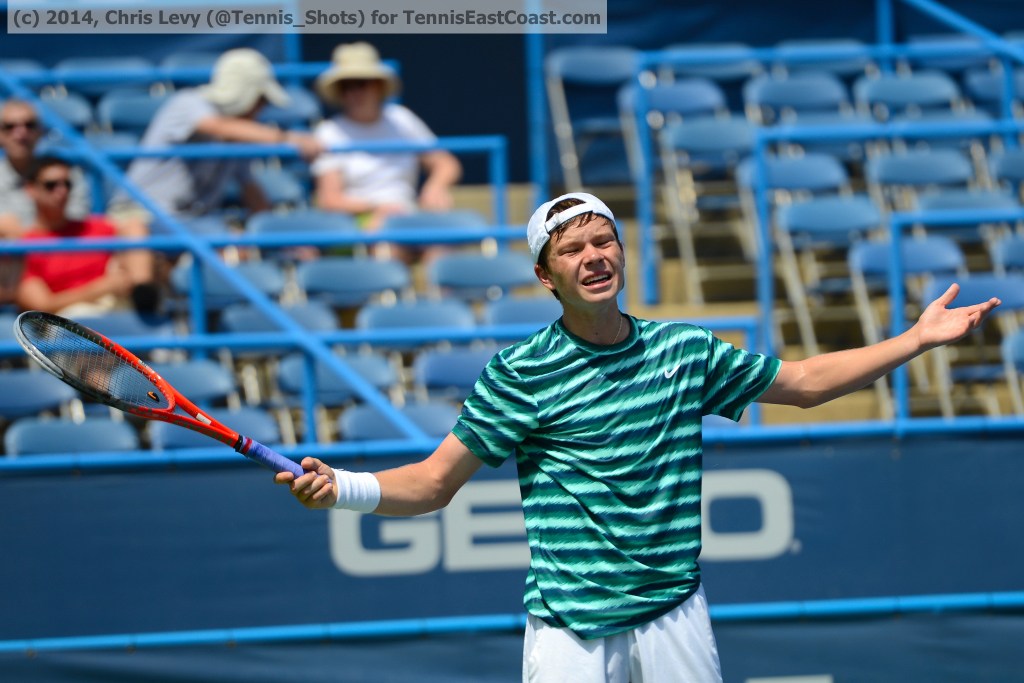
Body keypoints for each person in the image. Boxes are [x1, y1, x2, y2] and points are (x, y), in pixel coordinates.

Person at [275, 192, 1001, 682]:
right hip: (568, 626)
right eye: (572, 250)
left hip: (673, 610)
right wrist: (341, 488)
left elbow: (807, 381)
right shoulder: (521, 372)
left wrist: (914, 339)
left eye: (603, 241)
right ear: (545, 275)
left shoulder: (684, 351)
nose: (594, 256)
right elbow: (434, 482)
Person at [109, 48, 322, 222]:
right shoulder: (189, 102)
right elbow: (215, 125)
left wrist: (272, 238)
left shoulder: (241, 133)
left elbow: (249, 186)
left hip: (191, 224)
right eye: (261, 99)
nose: (261, 109)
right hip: (138, 215)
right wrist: (288, 138)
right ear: (244, 93)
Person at [311, 42, 462, 262]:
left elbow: (446, 163)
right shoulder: (329, 132)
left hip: (409, 216)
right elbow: (330, 199)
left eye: (361, 83)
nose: (354, 92)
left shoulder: (402, 119)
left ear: (378, 86)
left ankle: (442, 296)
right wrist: (378, 208)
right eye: (346, 86)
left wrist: (436, 186)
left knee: (443, 246)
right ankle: (392, 294)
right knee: (386, 244)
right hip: (361, 222)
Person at [15, 155, 156, 317]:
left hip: (116, 308)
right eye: (51, 185)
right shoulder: (24, 245)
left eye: (67, 184)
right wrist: (102, 287)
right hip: (68, 325)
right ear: (30, 189)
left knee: (135, 225)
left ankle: (145, 301)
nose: (62, 191)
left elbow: (134, 231)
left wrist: (132, 274)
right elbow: (42, 305)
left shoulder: (95, 227)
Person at [0, 99, 92, 238]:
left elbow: (77, 221)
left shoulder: (65, 174)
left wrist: (25, 234)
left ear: (40, 131)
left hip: (58, 252)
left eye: (29, 125)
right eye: (10, 126)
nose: (21, 133)